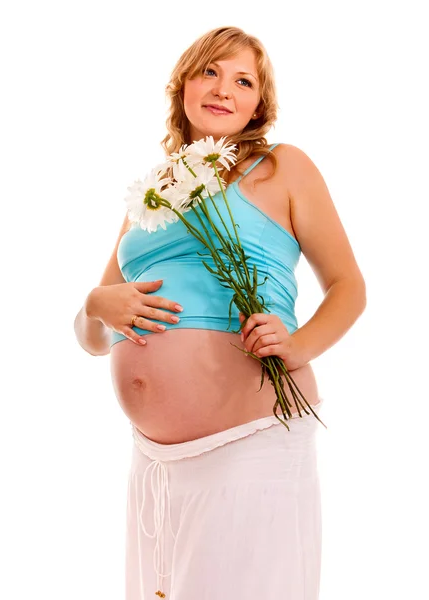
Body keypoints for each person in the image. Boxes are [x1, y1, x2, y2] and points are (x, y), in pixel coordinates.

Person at [74, 26, 366, 600]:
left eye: (243, 80)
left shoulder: (283, 167)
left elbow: (349, 286)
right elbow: (91, 337)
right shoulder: (154, 193)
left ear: (260, 102)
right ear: (183, 82)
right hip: (154, 462)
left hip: (250, 441)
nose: (223, 89)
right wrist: (94, 306)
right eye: (210, 71)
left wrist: (299, 344)